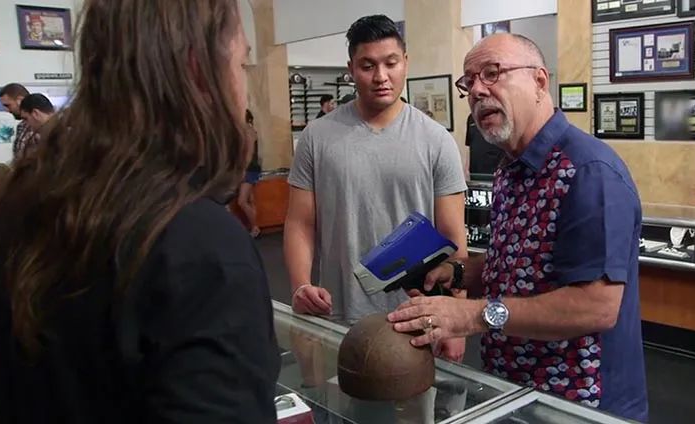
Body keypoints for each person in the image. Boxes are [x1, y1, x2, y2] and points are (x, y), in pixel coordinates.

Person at [0, 1, 279, 423]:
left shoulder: (23, 200)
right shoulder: (199, 244)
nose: (243, 86)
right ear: (199, 70)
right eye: (242, 64)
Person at [388, 33, 649, 422]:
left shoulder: (588, 173)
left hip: (580, 404)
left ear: (539, 81)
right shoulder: (510, 168)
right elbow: (519, 266)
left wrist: (471, 315)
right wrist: (458, 272)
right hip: (514, 391)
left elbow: (596, 307)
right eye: (469, 82)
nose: (477, 90)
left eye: (492, 73)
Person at [284, 14, 468, 361]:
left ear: (405, 63)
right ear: (351, 69)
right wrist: (301, 285)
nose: (381, 76)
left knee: (415, 397)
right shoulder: (317, 137)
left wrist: (455, 319)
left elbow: (452, 239)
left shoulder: (436, 140)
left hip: (415, 316)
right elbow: (300, 222)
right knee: (335, 395)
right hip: (335, 313)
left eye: (390, 63)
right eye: (368, 66)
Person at [237, 109, 261, 236]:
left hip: (249, 169)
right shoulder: (247, 130)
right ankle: (254, 227)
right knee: (250, 200)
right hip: (250, 168)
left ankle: (255, 227)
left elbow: (249, 153)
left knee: (242, 201)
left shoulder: (248, 130)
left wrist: (243, 169)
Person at [0, 83, 35, 160]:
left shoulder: (42, 126)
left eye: (8, 105)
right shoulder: (21, 126)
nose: (7, 110)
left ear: (20, 100)